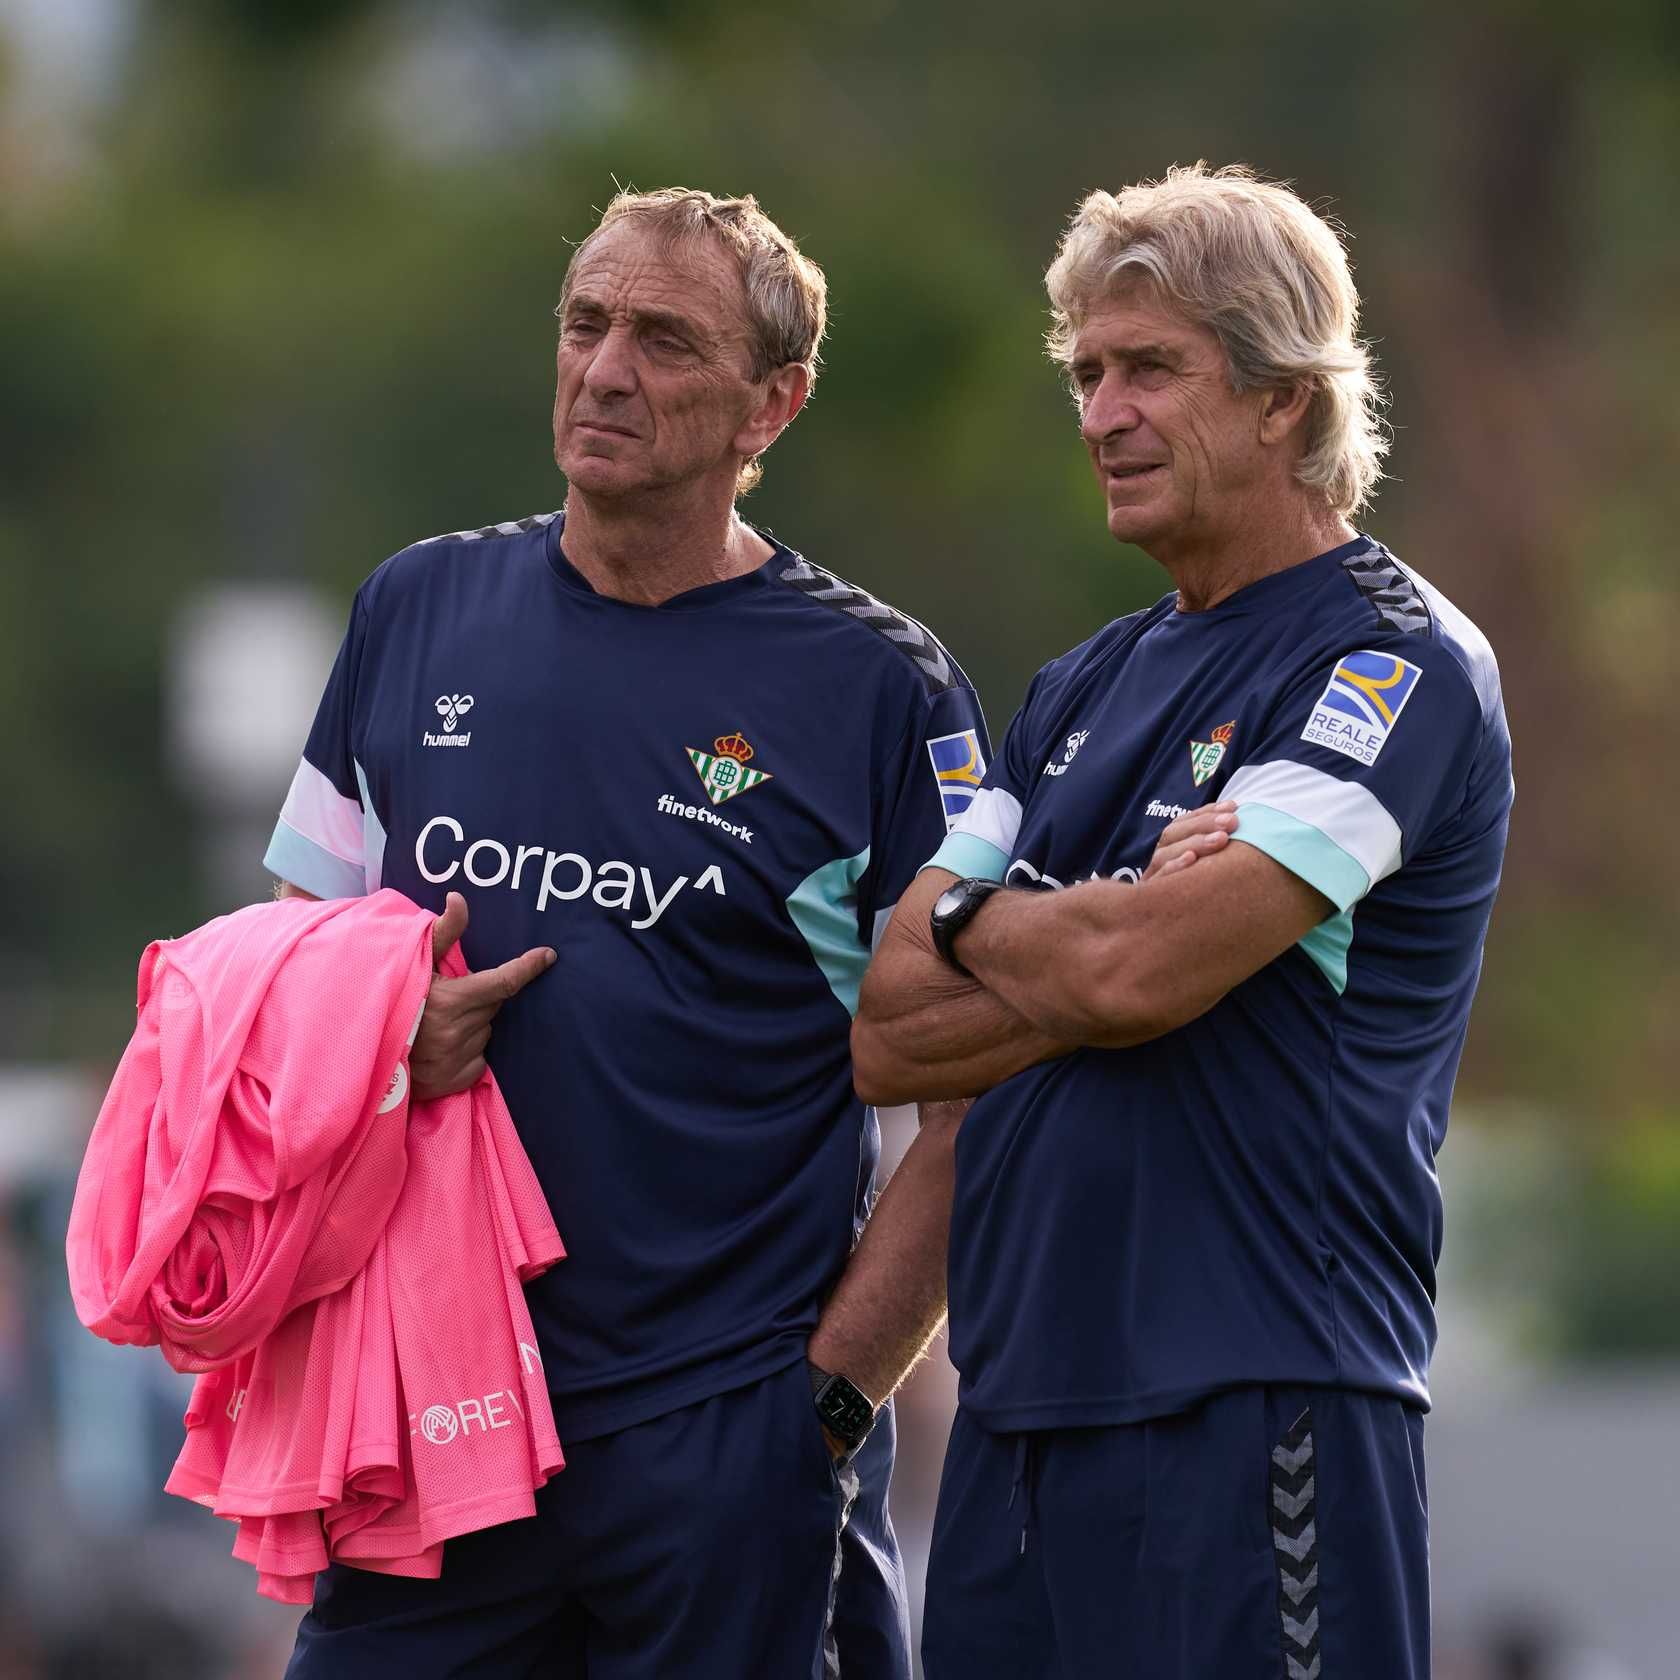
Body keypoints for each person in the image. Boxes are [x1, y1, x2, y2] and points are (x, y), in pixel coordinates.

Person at [263, 187, 991, 1679]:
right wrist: (377, 1034)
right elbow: (277, 979)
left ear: (770, 406)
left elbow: (974, 1103)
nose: (605, 369)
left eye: (664, 341)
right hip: (433, 1432)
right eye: (586, 323)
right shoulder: (418, 609)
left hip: (724, 1447)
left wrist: (833, 1406)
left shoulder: (882, 696)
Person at [853, 164, 1513, 1680]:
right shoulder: (1078, 687)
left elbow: (1139, 974)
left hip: (1258, 1401)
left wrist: (1011, 925)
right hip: (1018, 1421)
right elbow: (888, 1032)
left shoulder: (1393, 662)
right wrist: (1089, 926)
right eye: (1085, 372)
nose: (1101, 412)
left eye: (1150, 366)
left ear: (1287, 397)